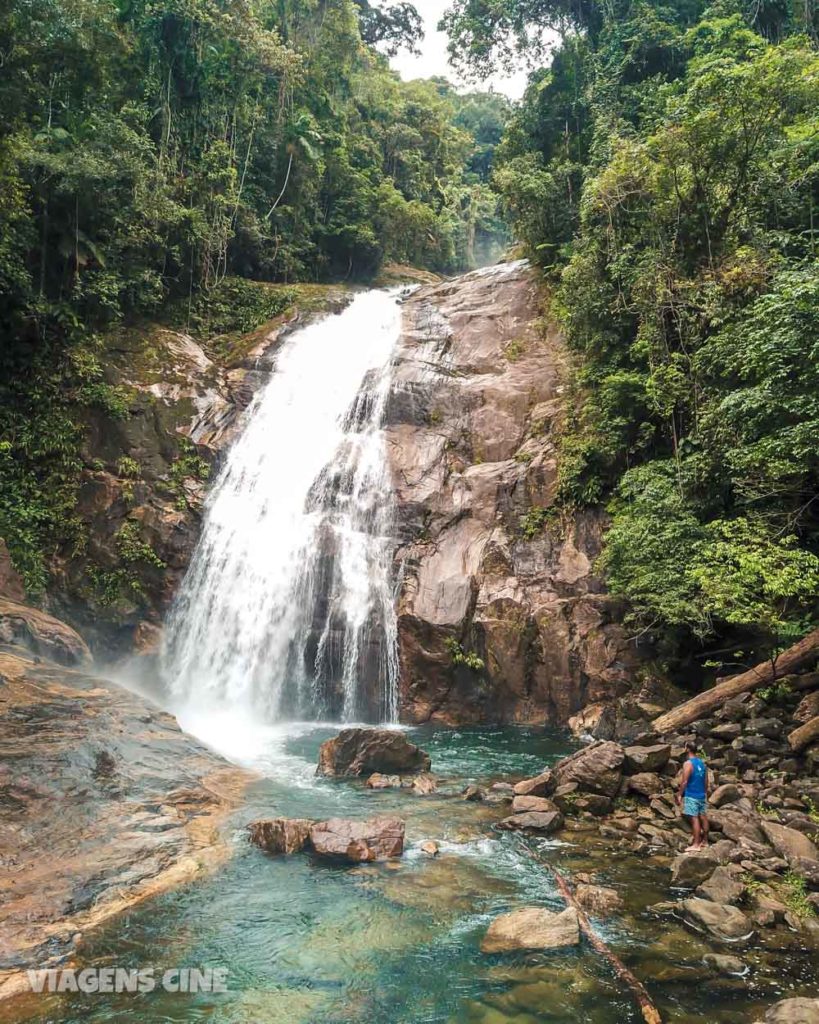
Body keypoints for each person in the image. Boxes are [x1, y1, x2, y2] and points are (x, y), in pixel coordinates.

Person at [675, 739, 710, 852]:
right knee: (703, 817)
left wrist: (680, 794)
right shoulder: (702, 763)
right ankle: (705, 841)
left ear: (688, 749)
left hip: (692, 795)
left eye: (685, 747)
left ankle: (696, 844)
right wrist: (704, 793)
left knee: (694, 819)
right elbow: (706, 781)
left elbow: (684, 781)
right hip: (701, 795)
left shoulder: (688, 764)